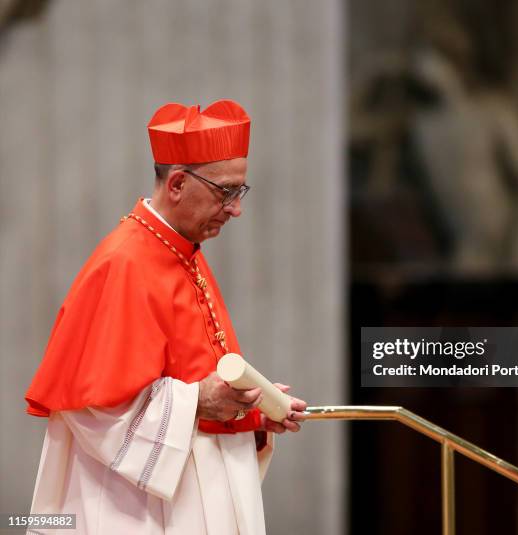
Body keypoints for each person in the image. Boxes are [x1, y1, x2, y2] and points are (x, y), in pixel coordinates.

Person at [24, 100, 307, 535]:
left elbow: (197, 375)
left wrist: (254, 406)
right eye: (226, 192)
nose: (236, 209)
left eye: (240, 192)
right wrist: (200, 402)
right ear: (177, 183)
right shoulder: (125, 262)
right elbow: (94, 407)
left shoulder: (183, 253)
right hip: (134, 506)